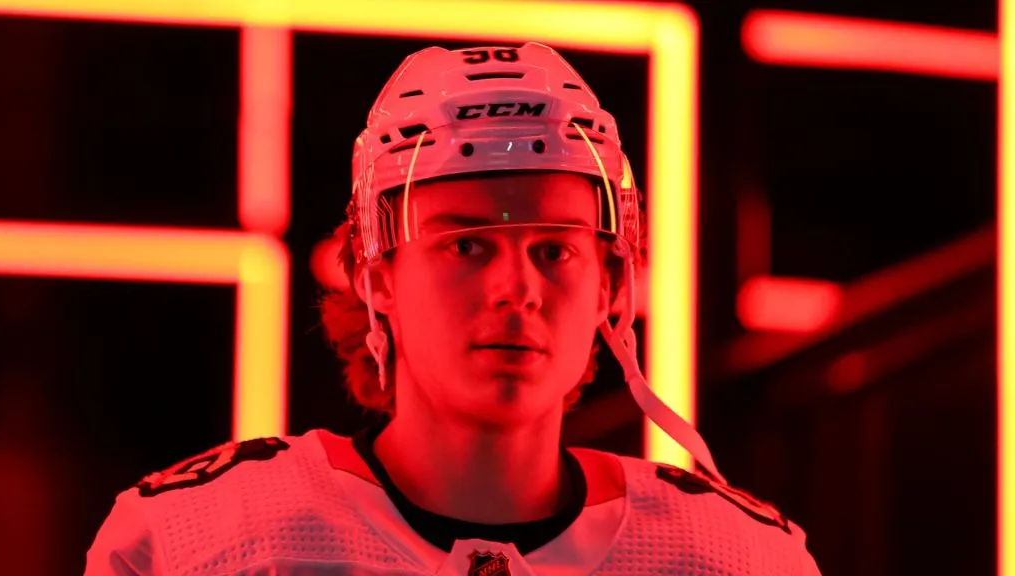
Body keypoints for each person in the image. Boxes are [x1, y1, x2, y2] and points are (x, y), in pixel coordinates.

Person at [85, 42, 822, 575]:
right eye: (467, 245)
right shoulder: (196, 540)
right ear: (375, 276)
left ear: (610, 284)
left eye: (554, 249)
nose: (516, 288)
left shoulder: (741, 557)